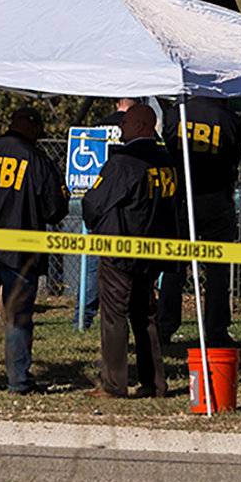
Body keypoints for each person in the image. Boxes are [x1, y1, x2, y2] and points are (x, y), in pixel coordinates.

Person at [0, 103, 68, 394]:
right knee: (17, 315)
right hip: (21, 250)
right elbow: (55, 210)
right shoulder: (38, 159)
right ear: (31, 125)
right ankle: (18, 380)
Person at [82, 105, 180, 398]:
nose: (121, 126)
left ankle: (114, 384)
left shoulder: (124, 162)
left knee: (114, 315)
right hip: (153, 250)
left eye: (126, 121)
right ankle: (155, 382)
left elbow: (94, 203)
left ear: (142, 126)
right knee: (145, 316)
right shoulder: (167, 161)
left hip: (121, 248)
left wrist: (97, 226)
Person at [154, 95, 241, 347]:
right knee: (217, 269)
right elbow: (234, 158)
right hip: (217, 198)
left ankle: (165, 325)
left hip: (181, 198)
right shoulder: (230, 119)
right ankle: (216, 329)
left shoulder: (176, 114)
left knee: (174, 267)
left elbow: (168, 149)